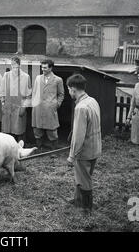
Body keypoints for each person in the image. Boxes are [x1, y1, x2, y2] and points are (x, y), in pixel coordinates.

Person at [66, 74, 102, 215]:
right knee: (83, 176)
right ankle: (78, 199)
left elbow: (79, 136)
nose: (69, 92)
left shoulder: (80, 108)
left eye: (69, 89)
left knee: (83, 179)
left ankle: (85, 208)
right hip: (95, 147)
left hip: (84, 151)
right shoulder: (92, 101)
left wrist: (72, 156)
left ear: (73, 89)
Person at [31, 59, 65, 150]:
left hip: (50, 108)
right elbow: (34, 92)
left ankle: (53, 150)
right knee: (37, 129)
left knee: (52, 130)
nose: (43, 69)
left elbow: (61, 94)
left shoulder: (58, 80)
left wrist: (56, 104)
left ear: (51, 68)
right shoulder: (38, 78)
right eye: (42, 67)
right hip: (38, 108)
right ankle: (39, 148)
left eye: (45, 67)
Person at [0, 56, 31, 142]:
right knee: (7, 129)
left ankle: (20, 147)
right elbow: (2, 91)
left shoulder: (26, 77)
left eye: (16, 65)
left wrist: (24, 108)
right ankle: (8, 147)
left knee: (19, 129)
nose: (14, 67)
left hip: (19, 106)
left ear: (20, 65)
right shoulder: (6, 75)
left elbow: (28, 95)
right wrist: (2, 103)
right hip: (8, 106)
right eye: (12, 65)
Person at [126, 73, 139, 144]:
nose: (138, 75)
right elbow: (132, 103)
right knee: (135, 139)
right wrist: (128, 117)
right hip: (137, 112)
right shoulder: (136, 86)